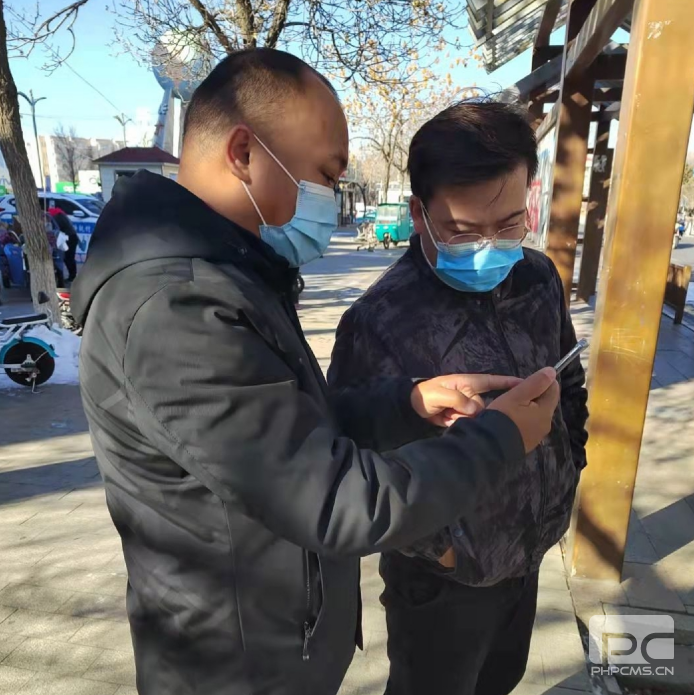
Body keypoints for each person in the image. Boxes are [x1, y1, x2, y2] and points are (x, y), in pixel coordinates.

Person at [72, 52, 560, 695]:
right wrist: (500, 438)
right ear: (244, 152)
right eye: (326, 175)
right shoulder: (175, 309)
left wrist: (407, 405)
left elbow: (290, 433)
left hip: (276, 644)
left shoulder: (229, 276)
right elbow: (335, 501)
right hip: (236, 667)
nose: (331, 197)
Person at [328, 99, 589, 695]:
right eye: (464, 231)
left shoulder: (538, 278)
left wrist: (568, 470)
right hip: (441, 585)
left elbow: (568, 385)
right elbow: (355, 456)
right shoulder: (378, 320)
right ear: (418, 214)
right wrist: (444, 552)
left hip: (529, 554)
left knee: (503, 678)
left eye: (510, 223)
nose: (491, 246)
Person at [48, 206, 79, 282]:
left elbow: (55, 229)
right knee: (68, 258)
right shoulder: (60, 215)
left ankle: (72, 277)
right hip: (71, 237)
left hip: (69, 239)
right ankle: (72, 276)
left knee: (68, 258)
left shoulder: (56, 218)